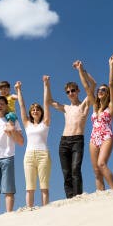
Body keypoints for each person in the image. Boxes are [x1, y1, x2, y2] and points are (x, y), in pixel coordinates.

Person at [47, 64, 92, 198]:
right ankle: (70, 197)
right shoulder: (66, 107)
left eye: (73, 90)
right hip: (64, 142)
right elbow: (50, 101)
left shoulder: (84, 104)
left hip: (77, 140)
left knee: (75, 170)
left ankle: (78, 196)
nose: (71, 93)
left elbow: (91, 87)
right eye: (68, 92)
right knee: (66, 172)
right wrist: (47, 84)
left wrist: (80, 70)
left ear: (78, 91)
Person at [79, 57, 113, 190]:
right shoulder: (95, 106)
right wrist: (80, 70)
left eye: (103, 90)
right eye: (99, 90)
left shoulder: (111, 106)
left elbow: (111, 84)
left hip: (106, 136)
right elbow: (86, 87)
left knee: (102, 164)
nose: (100, 91)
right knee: (96, 170)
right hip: (94, 137)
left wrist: (111, 66)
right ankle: (101, 196)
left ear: (107, 93)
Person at [14, 76, 52, 207]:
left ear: (41, 112)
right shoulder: (27, 124)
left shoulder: (45, 123)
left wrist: (46, 84)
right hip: (29, 156)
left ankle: (45, 209)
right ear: (31, 113)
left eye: (37, 109)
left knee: (44, 186)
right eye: (33, 109)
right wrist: (18, 90)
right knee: (29, 187)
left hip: (43, 155)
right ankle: (29, 210)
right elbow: (21, 105)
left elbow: (46, 102)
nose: (35, 111)